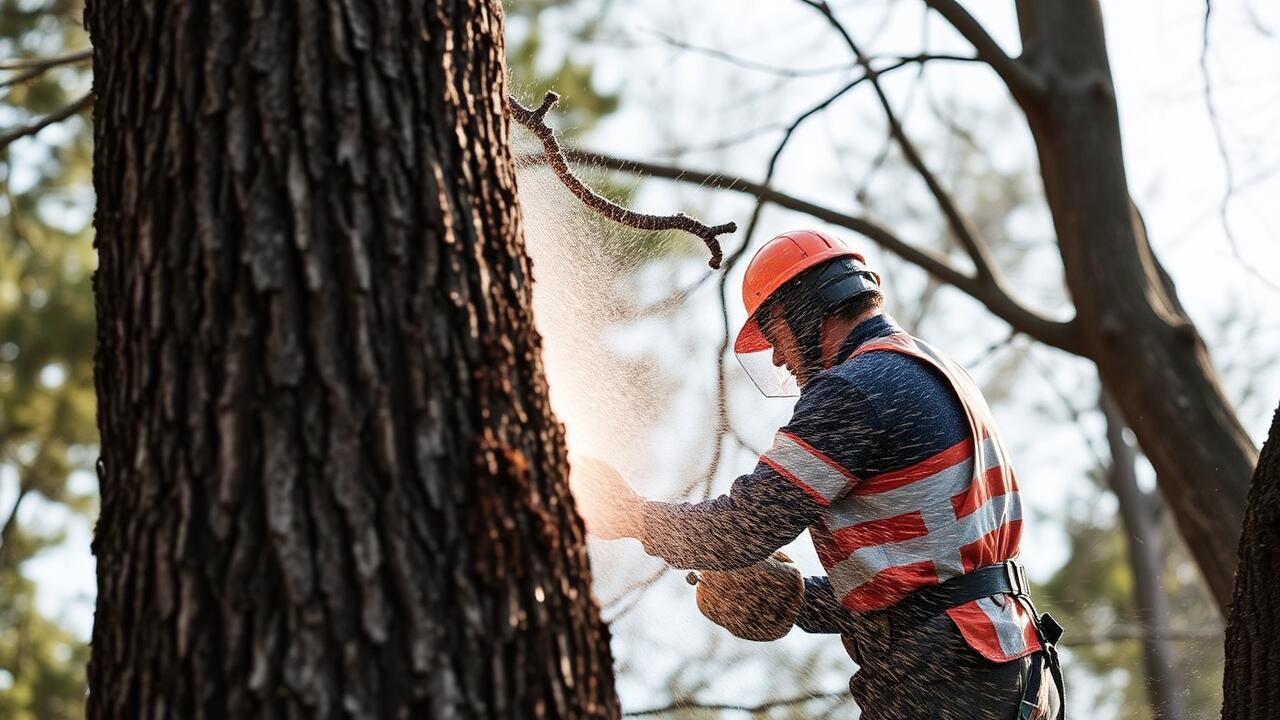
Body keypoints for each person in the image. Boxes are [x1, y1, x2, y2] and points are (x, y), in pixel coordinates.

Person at [577, 230, 1065, 719]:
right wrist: (797, 603)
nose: (776, 357)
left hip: (951, 669)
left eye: (773, 333)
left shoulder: (856, 388)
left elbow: (742, 528)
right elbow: (924, 582)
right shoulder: (926, 367)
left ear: (810, 308)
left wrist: (633, 517)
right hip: (1001, 662)